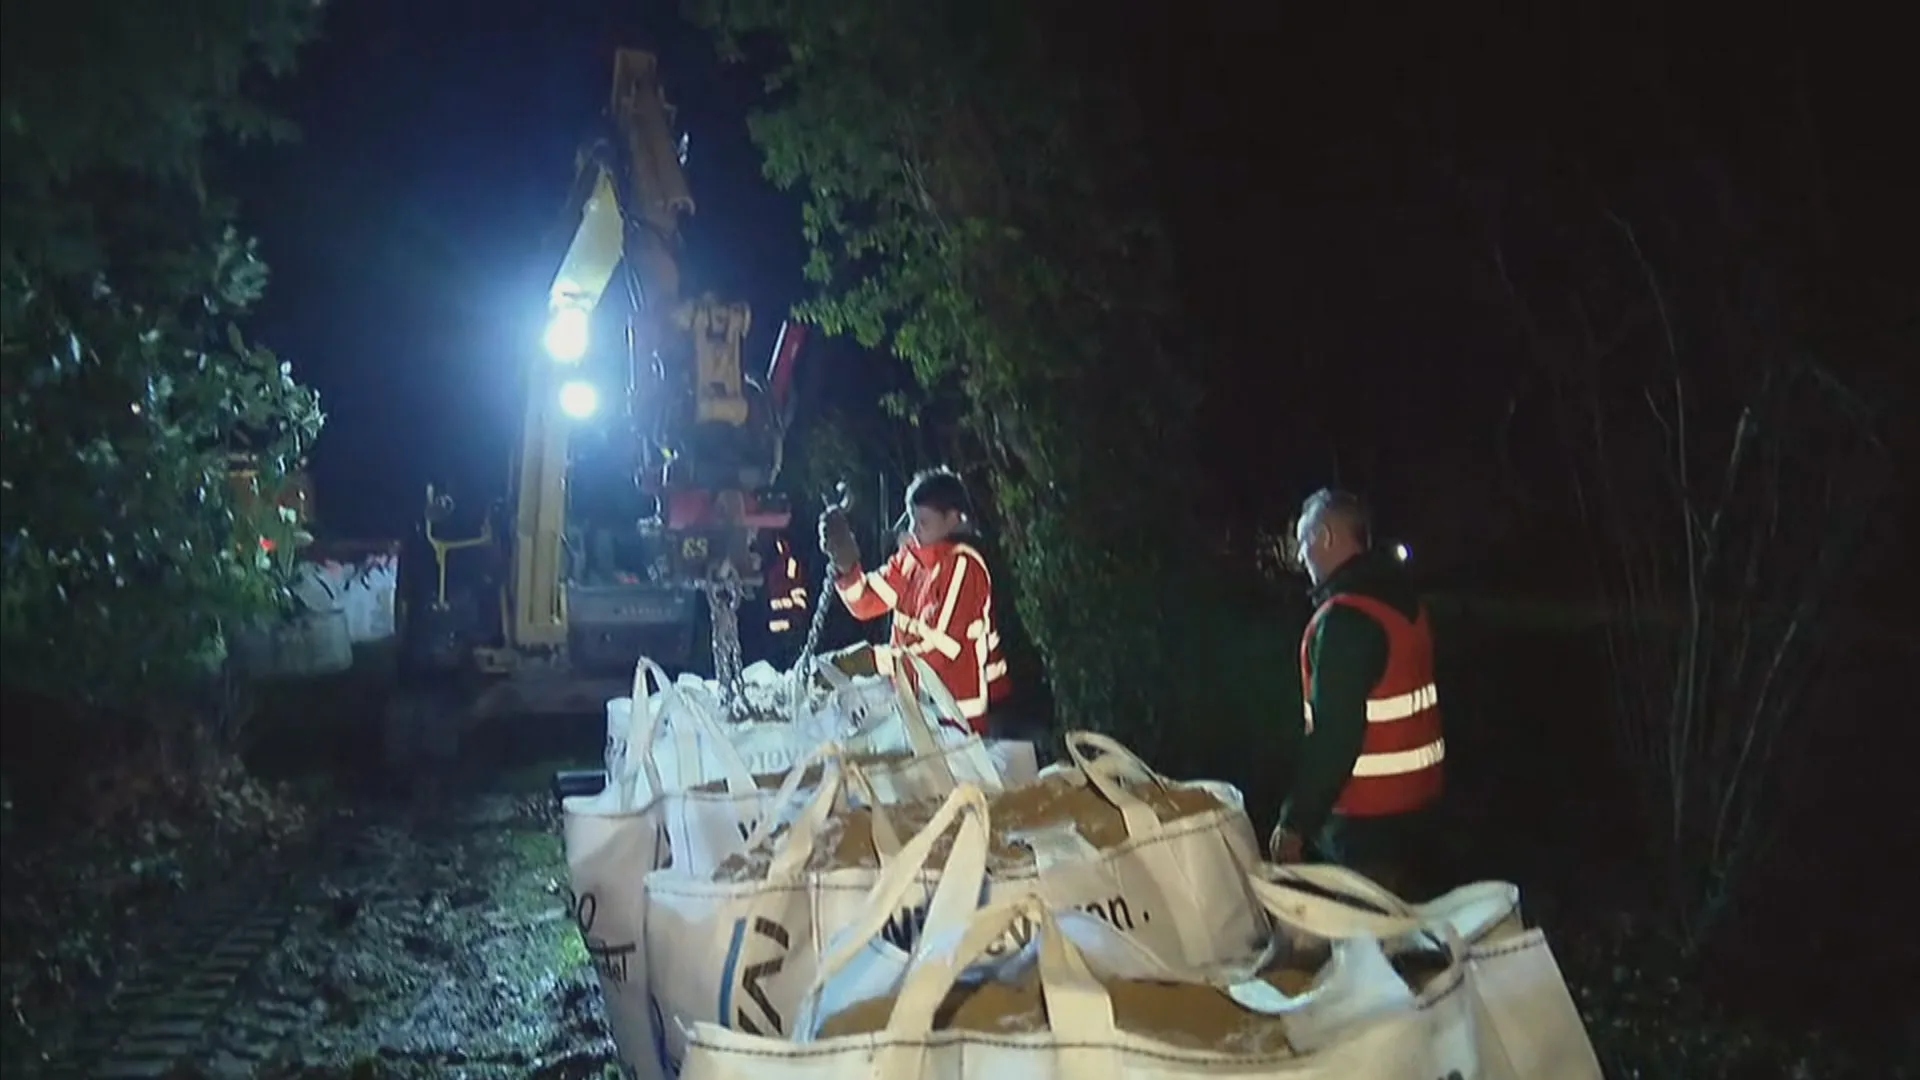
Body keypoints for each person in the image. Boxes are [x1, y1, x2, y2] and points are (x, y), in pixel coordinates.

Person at [1270, 488, 1447, 898]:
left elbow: (1335, 738)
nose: (1300, 555)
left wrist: (1294, 825)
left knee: (1367, 950)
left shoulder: (1345, 620)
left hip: (1367, 831)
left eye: (1304, 539)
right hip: (1420, 816)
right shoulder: (1403, 603)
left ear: (1328, 538)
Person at [818, 467, 1013, 735]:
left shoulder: (964, 566)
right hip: (921, 710)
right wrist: (846, 565)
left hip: (958, 719)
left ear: (952, 519)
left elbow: (941, 650)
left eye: (923, 523)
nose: (913, 531)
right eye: (911, 520)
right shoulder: (912, 559)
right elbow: (866, 601)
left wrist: (873, 660)